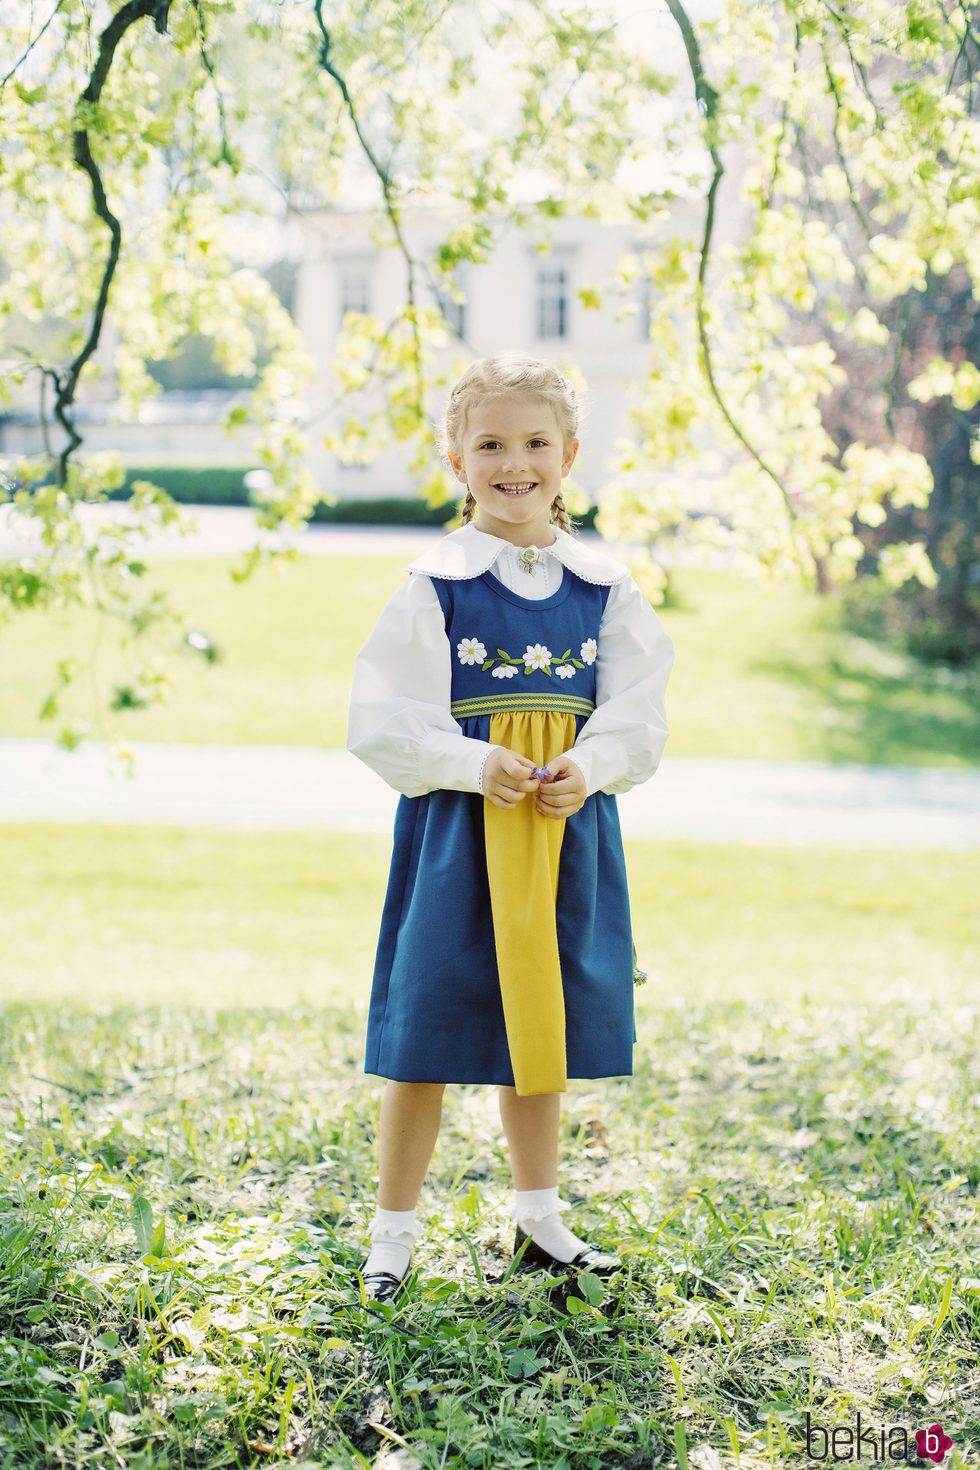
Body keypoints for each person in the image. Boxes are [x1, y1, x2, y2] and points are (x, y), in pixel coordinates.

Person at [346, 353, 673, 1302]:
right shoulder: (434, 584)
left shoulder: (604, 585)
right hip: (461, 831)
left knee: (543, 1023)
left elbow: (639, 712)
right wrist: (468, 761)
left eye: (536, 442)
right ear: (457, 458)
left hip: (563, 828)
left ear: (569, 455)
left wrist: (592, 765)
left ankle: (539, 1218)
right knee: (429, 1018)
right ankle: (393, 1232)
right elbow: (384, 718)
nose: (514, 462)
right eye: (490, 443)